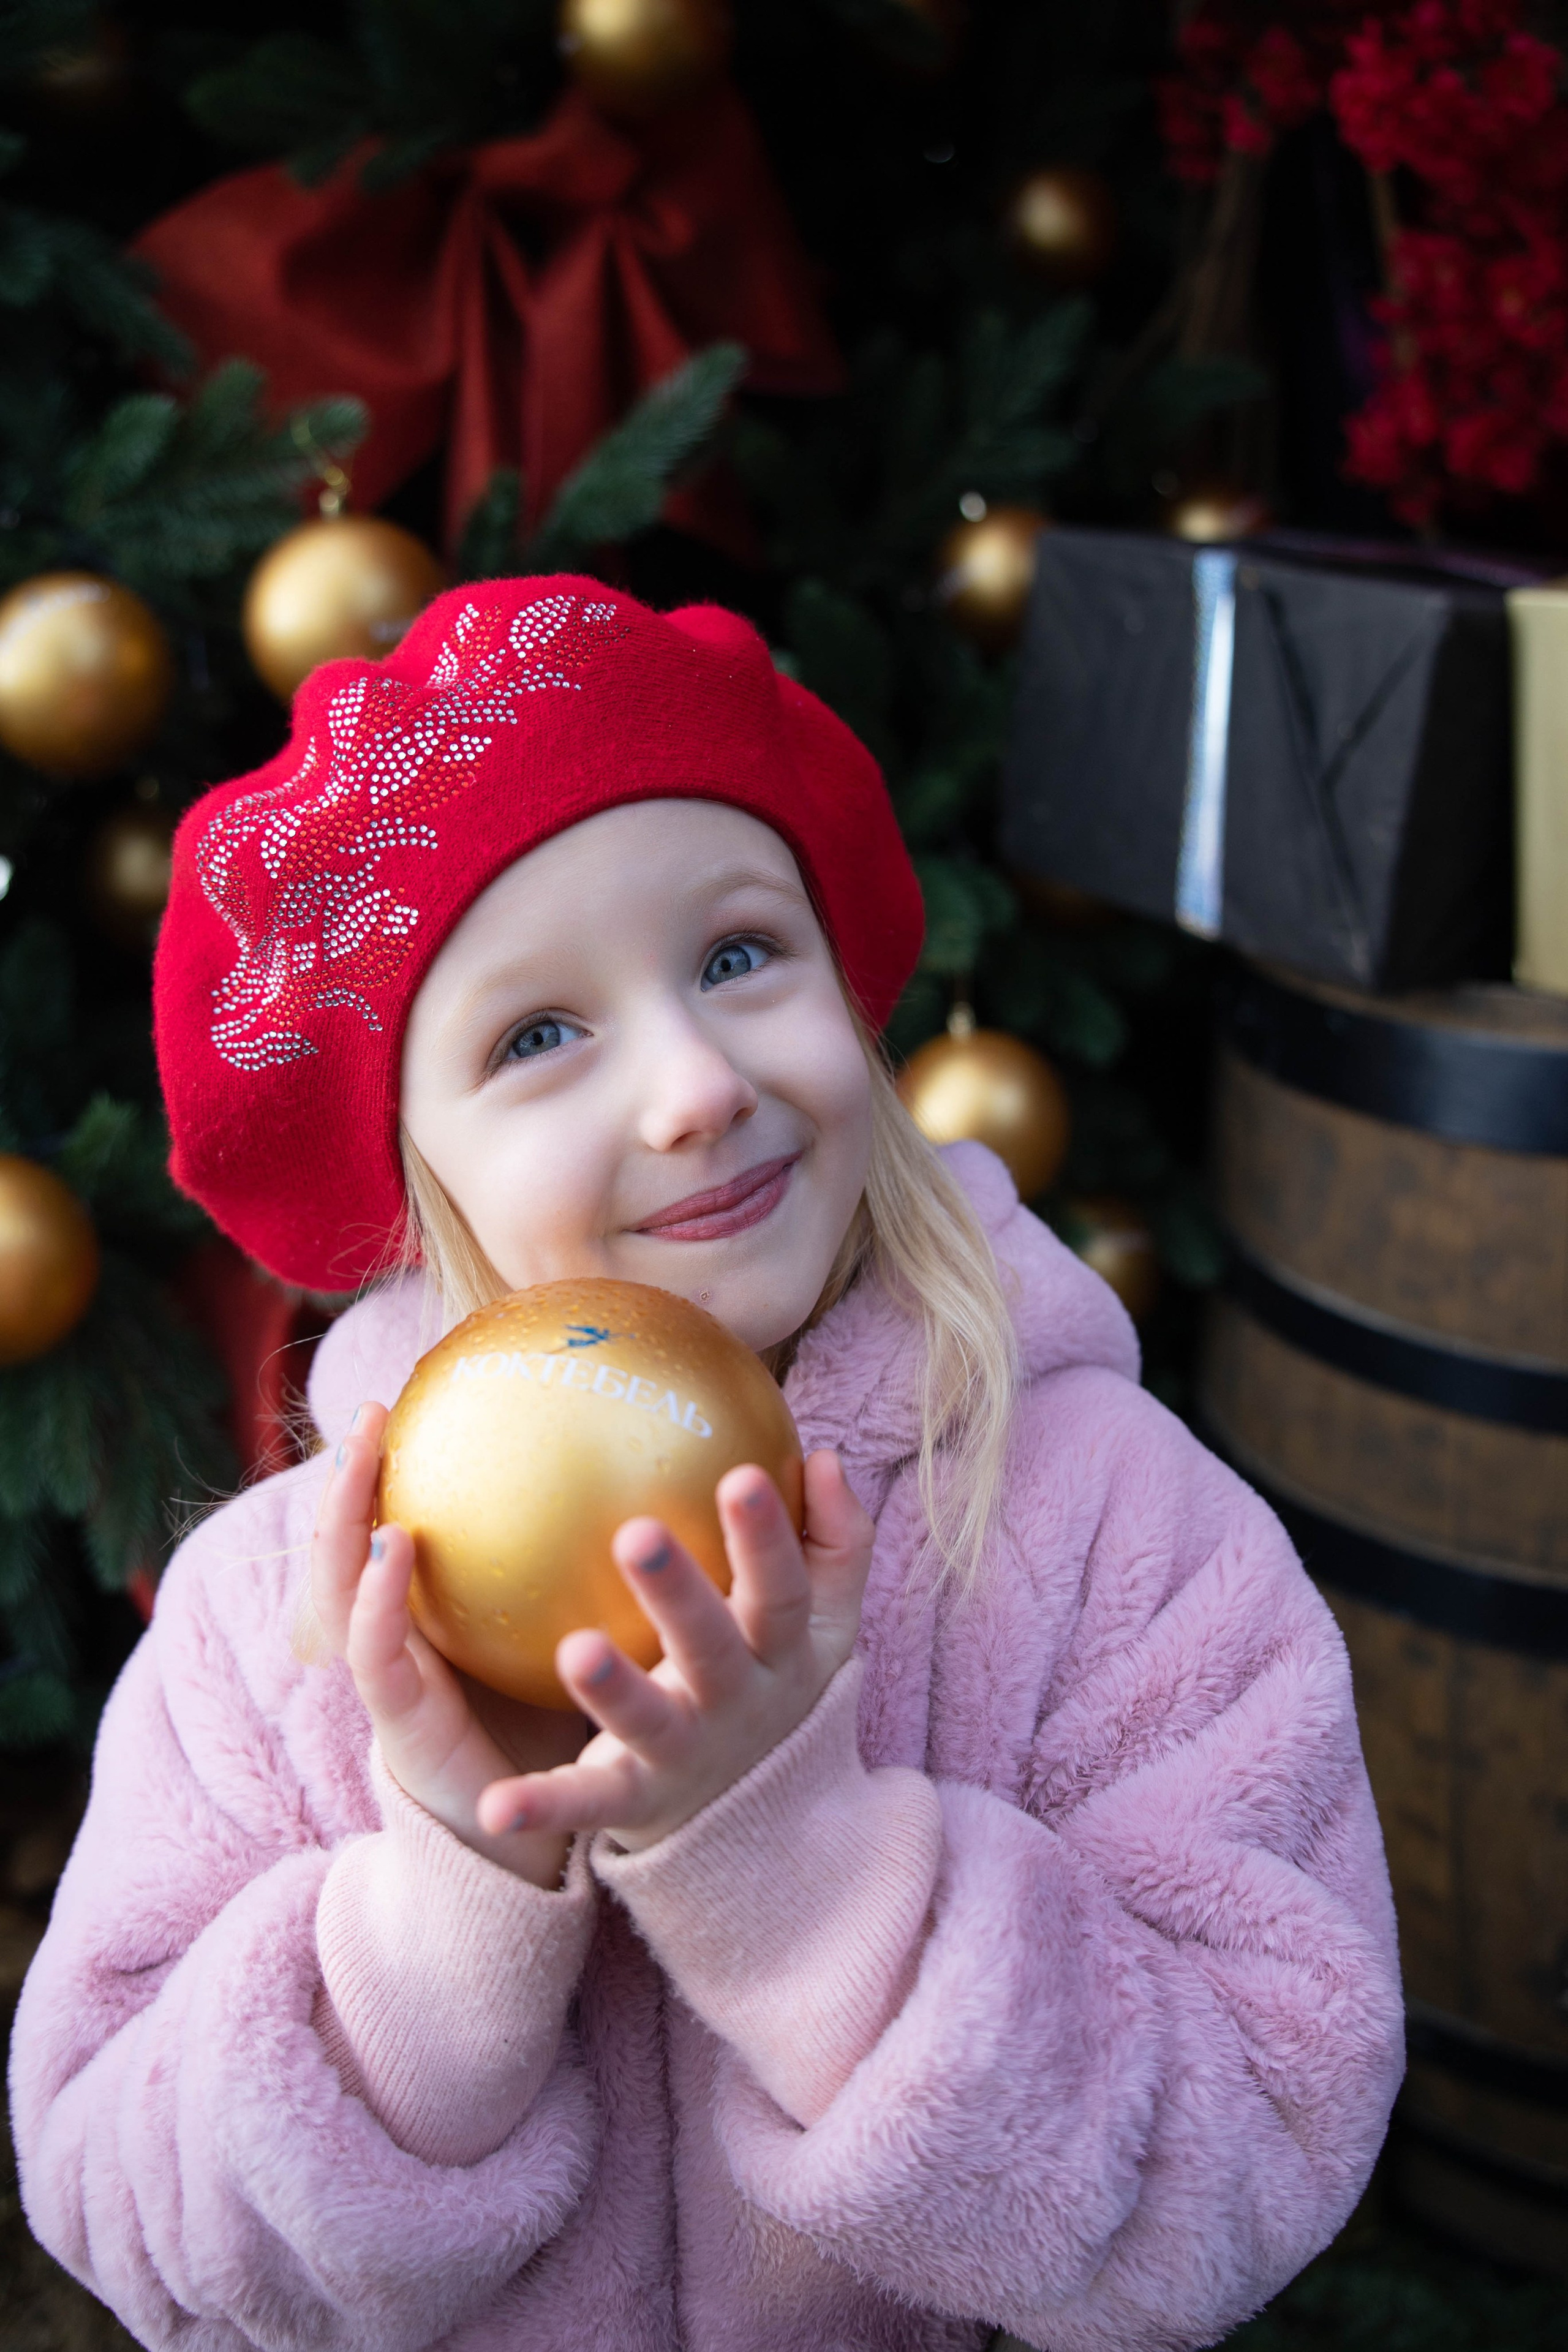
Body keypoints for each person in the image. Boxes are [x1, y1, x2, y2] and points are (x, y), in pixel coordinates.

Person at [10, 578, 1403, 2352]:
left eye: (740, 953)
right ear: (412, 1172)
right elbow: (142, 2222)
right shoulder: (268, 1631)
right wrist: (446, 1902)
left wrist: (811, 1879)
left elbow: (1247, 2163)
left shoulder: (1112, 1528)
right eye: (536, 1037)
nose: (690, 1085)